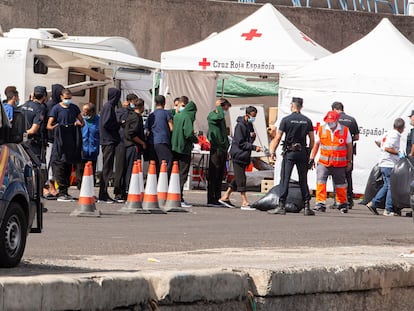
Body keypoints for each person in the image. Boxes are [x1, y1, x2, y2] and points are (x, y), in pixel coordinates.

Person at [267, 97, 315, 216]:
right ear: (301, 106)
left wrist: (272, 152)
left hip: (290, 152)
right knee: (303, 179)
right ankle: (307, 206)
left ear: (292, 105)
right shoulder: (307, 121)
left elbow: (278, 138)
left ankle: (282, 206)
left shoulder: (286, 120)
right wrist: (310, 156)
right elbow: (312, 140)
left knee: (285, 179)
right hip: (303, 153)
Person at [309, 111, 353, 214]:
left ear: (336, 120)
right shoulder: (322, 129)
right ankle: (320, 204)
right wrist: (311, 158)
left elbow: (349, 146)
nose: (330, 123)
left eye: (331, 121)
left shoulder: (345, 130)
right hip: (324, 162)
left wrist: (349, 161)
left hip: (339, 164)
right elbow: (316, 145)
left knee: (340, 185)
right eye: (328, 121)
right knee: (321, 183)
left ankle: (342, 204)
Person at [219, 106, 262, 210]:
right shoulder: (240, 126)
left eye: (255, 116)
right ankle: (244, 201)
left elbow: (248, 140)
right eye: (252, 116)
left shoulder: (249, 125)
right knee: (241, 178)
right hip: (238, 155)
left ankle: (225, 197)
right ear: (247, 115)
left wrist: (252, 138)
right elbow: (240, 143)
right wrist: (253, 147)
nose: (253, 118)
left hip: (244, 155)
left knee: (238, 177)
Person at [47, 89, 84, 202]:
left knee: (68, 165)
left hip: (71, 141)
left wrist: (78, 124)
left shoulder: (74, 108)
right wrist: (57, 128)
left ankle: (65, 191)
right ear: (61, 97)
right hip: (60, 142)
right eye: (66, 98)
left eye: (69, 98)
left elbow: (82, 122)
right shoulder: (56, 109)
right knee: (59, 165)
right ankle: (61, 191)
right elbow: (49, 125)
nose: (68, 100)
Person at [366, 118, 405, 216]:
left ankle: (374, 203)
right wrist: (398, 153)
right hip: (389, 163)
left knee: (386, 185)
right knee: (391, 186)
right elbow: (388, 147)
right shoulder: (395, 135)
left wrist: (382, 150)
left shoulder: (388, 133)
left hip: (384, 162)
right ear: (401, 128)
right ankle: (387, 209)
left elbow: (377, 141)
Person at [171, 96, 198, 208]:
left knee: (173, 173)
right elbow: (188, 133)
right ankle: (179, 197)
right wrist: (195, 139)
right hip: (184, 149)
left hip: (174, 147)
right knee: (182, 174)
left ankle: (172, 195)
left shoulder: (177, 115)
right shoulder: (187, 117)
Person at [331, 102, 359, 208]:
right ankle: (350, 200)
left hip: (337, 151)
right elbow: (357, 137)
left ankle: (337, 200)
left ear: (334, 109)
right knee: (348, 176)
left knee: (336, 176)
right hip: (348, 151)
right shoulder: (351, 120)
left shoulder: (335, 120)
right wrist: (348, 140)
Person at [206, 98, 231, 207]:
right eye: (225, 108)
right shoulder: (213, 116)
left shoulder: (221, 118)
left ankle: (217, 196)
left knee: (220, 175)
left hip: (222, 149)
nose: (225, 111)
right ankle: (211, 199)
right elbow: (219, 116)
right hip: (216, 149)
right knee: (214, 174)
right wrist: (219, 107)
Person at [99, 88, 122, 203]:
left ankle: (104, 193)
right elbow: (107, 122)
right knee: (107, 167)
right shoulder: (108, 107)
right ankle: (102, 194)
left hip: (108, 140)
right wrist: (118, 124)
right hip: (108, 140)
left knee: (107, 167)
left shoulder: (108, 106)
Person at [113, 95, 135, 202]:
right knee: (120, 168)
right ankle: (118, 192)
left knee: (126, 168)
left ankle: (124, 191)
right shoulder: (121, 112)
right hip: (121, 142)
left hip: (126, 142)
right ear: (129, 101)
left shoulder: (131, 112)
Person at [44, 84, 64, 198]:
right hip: (50, 139)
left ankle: (52, 186)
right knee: (49, 163)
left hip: (56, 139)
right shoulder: (51, 106)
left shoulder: (56, 105)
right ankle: (48, 187)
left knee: (54, 163)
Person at [145, 95, 174, 175]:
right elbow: (171, 128)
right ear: (164, 103)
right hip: (163, 141)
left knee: (155, 163)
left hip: (152, 141)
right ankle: (164, 182)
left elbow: (147, 129)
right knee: (167, 161)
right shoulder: (167, 113)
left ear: (155, 103)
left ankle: (154, 182)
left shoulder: (151, 115)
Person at [76, 103, 100, 189]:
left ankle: (90, 188)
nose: (83, 113)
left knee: (91, 170)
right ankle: (80, 186)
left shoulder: (98, 120)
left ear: (92, 112)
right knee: (80, 169)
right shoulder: (80, 120)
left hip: (93, 149)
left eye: (86, 112)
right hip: (82, 149)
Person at [124, 98, 147, 188]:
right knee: (133, 168)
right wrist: (142, 143)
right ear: (141, 107)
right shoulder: (136, 118)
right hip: (133, 146)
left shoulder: (130, 115)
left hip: (127, 145)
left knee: (130, 167)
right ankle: (130, 187)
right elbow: (132, 134)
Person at [21, 86, 47, 161]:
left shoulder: (25, 105)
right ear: (44, 96)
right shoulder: (40, 109)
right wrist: (25, 134)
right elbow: (33, 130)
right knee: (34, 166)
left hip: (22, 142)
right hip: (33, 144)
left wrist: (21, 135)